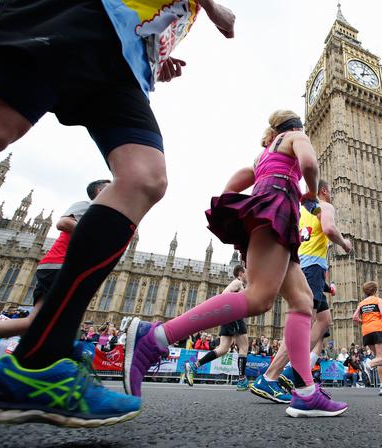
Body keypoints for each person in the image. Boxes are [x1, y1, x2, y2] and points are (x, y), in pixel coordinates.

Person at [0, 0, 236, 427]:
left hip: (124, 57)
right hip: (81, 13)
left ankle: (39, 362)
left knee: (145, 177)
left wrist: (155, 51)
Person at [123, 110, 347, 418]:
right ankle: (156, 338)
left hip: (269, 210)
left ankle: (306, 393)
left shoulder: (263, 155)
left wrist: (247, 212)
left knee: (302, 301)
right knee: (258, 298)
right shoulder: (296, 137)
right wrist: (308, 191)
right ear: (296, 126)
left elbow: (234, 184)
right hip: (278, 208)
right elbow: (309, 164)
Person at [250, 179, 352, 403]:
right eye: (331, 191)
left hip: (300, 266)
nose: (332, 195)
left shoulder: (301, 209)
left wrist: (325, 286)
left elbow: (305, 242)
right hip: (311, 268)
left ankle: (290, 371)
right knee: (303, 325)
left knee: (324, 319)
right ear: (324, 191)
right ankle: (270, 376)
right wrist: (344, 243)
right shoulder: (325, 206)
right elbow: (328, 229)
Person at [0, 180, 109, 344]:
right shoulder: (87, 205)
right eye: (111, 186)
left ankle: (24, 355)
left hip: (63, 267)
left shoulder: (99, 214)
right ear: (100, 190)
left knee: (39, 321)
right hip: (59, 265)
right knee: (59, 320)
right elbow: (63, 223)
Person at [184, 264, 250, 390]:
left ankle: (193, 366)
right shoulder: (237, 283)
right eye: (246, 272)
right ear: (241, 273)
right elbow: (224, 295)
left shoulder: (238, 285)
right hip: (233, 316)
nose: (247, 275)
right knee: (244, 347)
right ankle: (242, 380)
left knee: (223, 349)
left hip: (227, 317)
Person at [353, 281, 382, 396]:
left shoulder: (361, 303)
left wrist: (364, 322)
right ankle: (367, 365)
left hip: (366, 331)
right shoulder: (378, 300)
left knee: (378, 359)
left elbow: (354, 317)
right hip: (378, 329)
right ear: (375, 290)